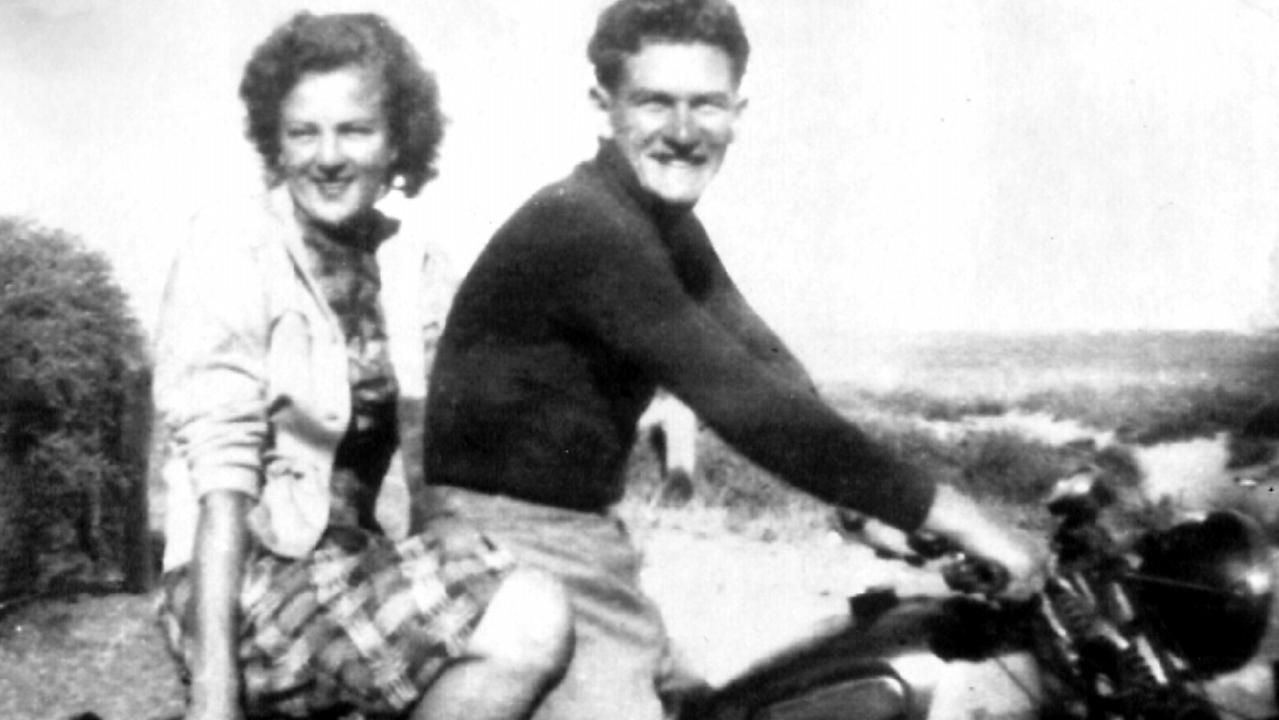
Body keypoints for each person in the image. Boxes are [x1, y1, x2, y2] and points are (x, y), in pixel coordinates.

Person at [421, 1, 1042, 719]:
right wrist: (964, 517)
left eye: (706, 105)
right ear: (603, 108)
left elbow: (764, 361)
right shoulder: (585, 227)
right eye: (655, 102)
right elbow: (746, 403)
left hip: (584, 543)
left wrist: (864, 506)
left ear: (737, 113)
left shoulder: (660, 227)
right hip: (511, 543)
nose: (683, 132)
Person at [152, 13, 571, 720]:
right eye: (302, 132)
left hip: (356, 569)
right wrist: (213, 690)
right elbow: (220, 480)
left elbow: (436, 456)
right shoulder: (233, 245)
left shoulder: (417, 264)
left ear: (396, 141)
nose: (327, 156)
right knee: (530, 618)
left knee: (551, 617)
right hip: (234, 583)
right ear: (274, 143)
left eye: (354, 130)